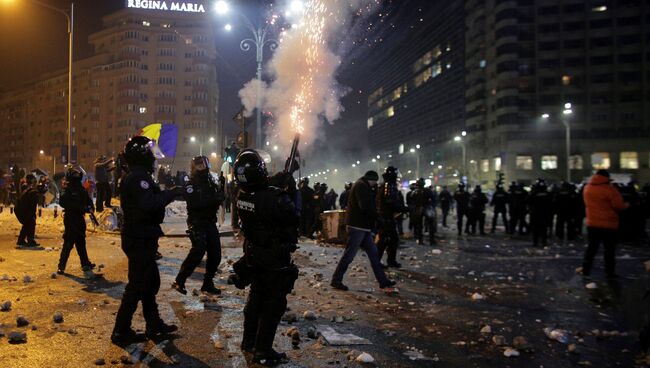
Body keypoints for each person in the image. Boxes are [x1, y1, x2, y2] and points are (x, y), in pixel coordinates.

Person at [111, 136, 182, 345]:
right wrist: (171, 194)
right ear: (142, 155)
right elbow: (148, 204)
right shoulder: (137, 178)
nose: (153, 157)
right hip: (138, 237)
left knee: (149, 283)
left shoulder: (139, 176)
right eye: (149, 153)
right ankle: (120, 331)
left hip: (143, 236)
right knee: (136, 286)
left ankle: (153, 324)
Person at [233, 149, 299, 365]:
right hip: (273, 257)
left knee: (256, 299)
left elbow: (262, 188)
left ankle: (249, 342)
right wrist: (292, 190)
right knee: (273, 303)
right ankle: (263, 350)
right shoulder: (276, 198)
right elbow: (294, 218)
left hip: (253, 254)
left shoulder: (242, 195)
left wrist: (284, 175)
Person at [331, 171, 396, 291]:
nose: (375, 185)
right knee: (349, 255)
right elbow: (365, 207)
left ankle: (383, 281)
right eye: (374, 183)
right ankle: (336, 280)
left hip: (363, 227)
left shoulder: (362, 185)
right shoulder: (361, 186)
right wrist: (378, 218)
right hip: (357, 227)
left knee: (374, 255)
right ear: (371, 180)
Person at [172, 156, 224, 295]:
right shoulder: (191, 184)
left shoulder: (211, 181)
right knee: (198, 251)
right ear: (194, 167)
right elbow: (196, 203)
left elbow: (218, 198)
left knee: (216, 254)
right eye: (199, 165)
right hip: (197, 222)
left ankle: (207, 284)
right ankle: (180, 280)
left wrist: (221, 193)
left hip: (209, 222)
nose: (203, 167)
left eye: (204, 164)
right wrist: (213, 200)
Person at [581, 170, 628, 278]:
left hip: (592, 223)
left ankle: (586, 269)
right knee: (609, 250)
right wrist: (627, 205)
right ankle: (609, 272)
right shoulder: (610, 190)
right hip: (609, 224)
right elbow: (618, 206)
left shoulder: (587, 188)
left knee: (592, 248)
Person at [57, 167, 97, 278]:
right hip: (71, 218)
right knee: (68, 242)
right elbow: (64, 202)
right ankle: (61, 266)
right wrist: (81, 208)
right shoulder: (68, 188)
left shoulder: (81, 188)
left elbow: (88, 200)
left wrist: (90, 206)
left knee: (81, 242)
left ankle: (85, 263)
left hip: (80, 219)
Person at [376, 167, 408, 267]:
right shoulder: (388, 186)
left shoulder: (387, 185)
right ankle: (379, 261)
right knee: (384, 240)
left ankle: (390, 261)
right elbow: (390, 204)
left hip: (387, 217)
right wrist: (405, 209)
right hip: (386, 218)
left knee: (391, 240)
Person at [15, 174, 44, 247]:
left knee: (27, 223)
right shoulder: (34, 193)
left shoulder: (30, 190)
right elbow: (32, 208)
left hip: (19, 209)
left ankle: (21, 240)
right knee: (31, 222)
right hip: (22, 210)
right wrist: (33, 217)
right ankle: (30, 240)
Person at [529, 179, 552, 247]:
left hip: (536, 213)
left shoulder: (534, 193)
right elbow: (551, 203)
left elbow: (529, 201)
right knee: (544, 229)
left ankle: (535, 242)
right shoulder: (547, 194)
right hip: (544, 213)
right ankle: (543, 242)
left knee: (536, 229)